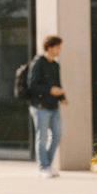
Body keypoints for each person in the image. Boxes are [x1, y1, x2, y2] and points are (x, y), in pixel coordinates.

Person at [27, 35, 68, 178]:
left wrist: (62, 96)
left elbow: (57, 83)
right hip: (39, 106)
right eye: (57, 48)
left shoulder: (55, 65)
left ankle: (47, 165)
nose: (58, 50)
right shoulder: (38, 63)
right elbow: (32, 85)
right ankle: (43, 167)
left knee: (57, 135)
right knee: (42, 137)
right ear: (49, 47)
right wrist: (49, 90)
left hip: (53, 105)